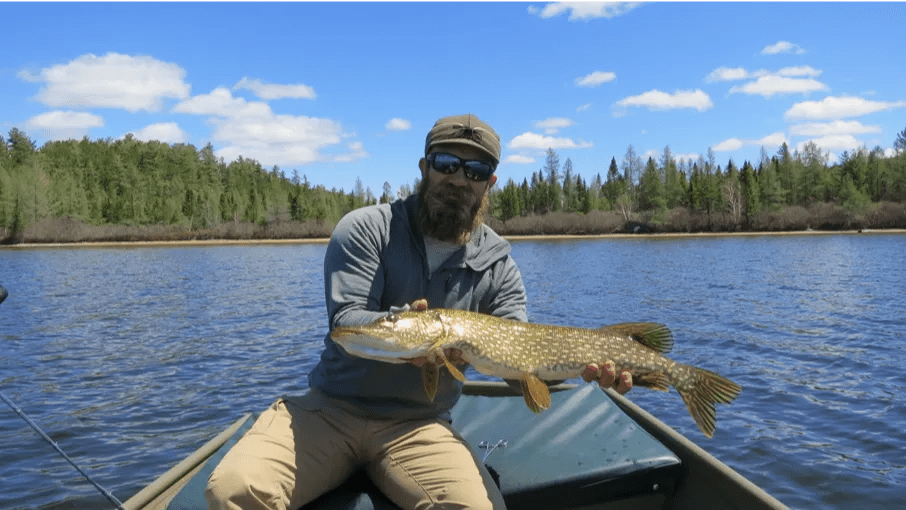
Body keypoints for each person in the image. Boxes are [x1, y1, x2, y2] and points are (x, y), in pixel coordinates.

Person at [205, 114, 632, 510]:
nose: (459, 179)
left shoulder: (498, 264)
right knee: (234, 490)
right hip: (330, 410)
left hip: (419, 425)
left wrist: (587, 369)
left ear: (489, 183)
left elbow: (518, 359)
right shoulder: (367, 228)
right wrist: (404, 323)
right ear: (425, 167)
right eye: (446, 163)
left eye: (475, 171)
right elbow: (346, 321)